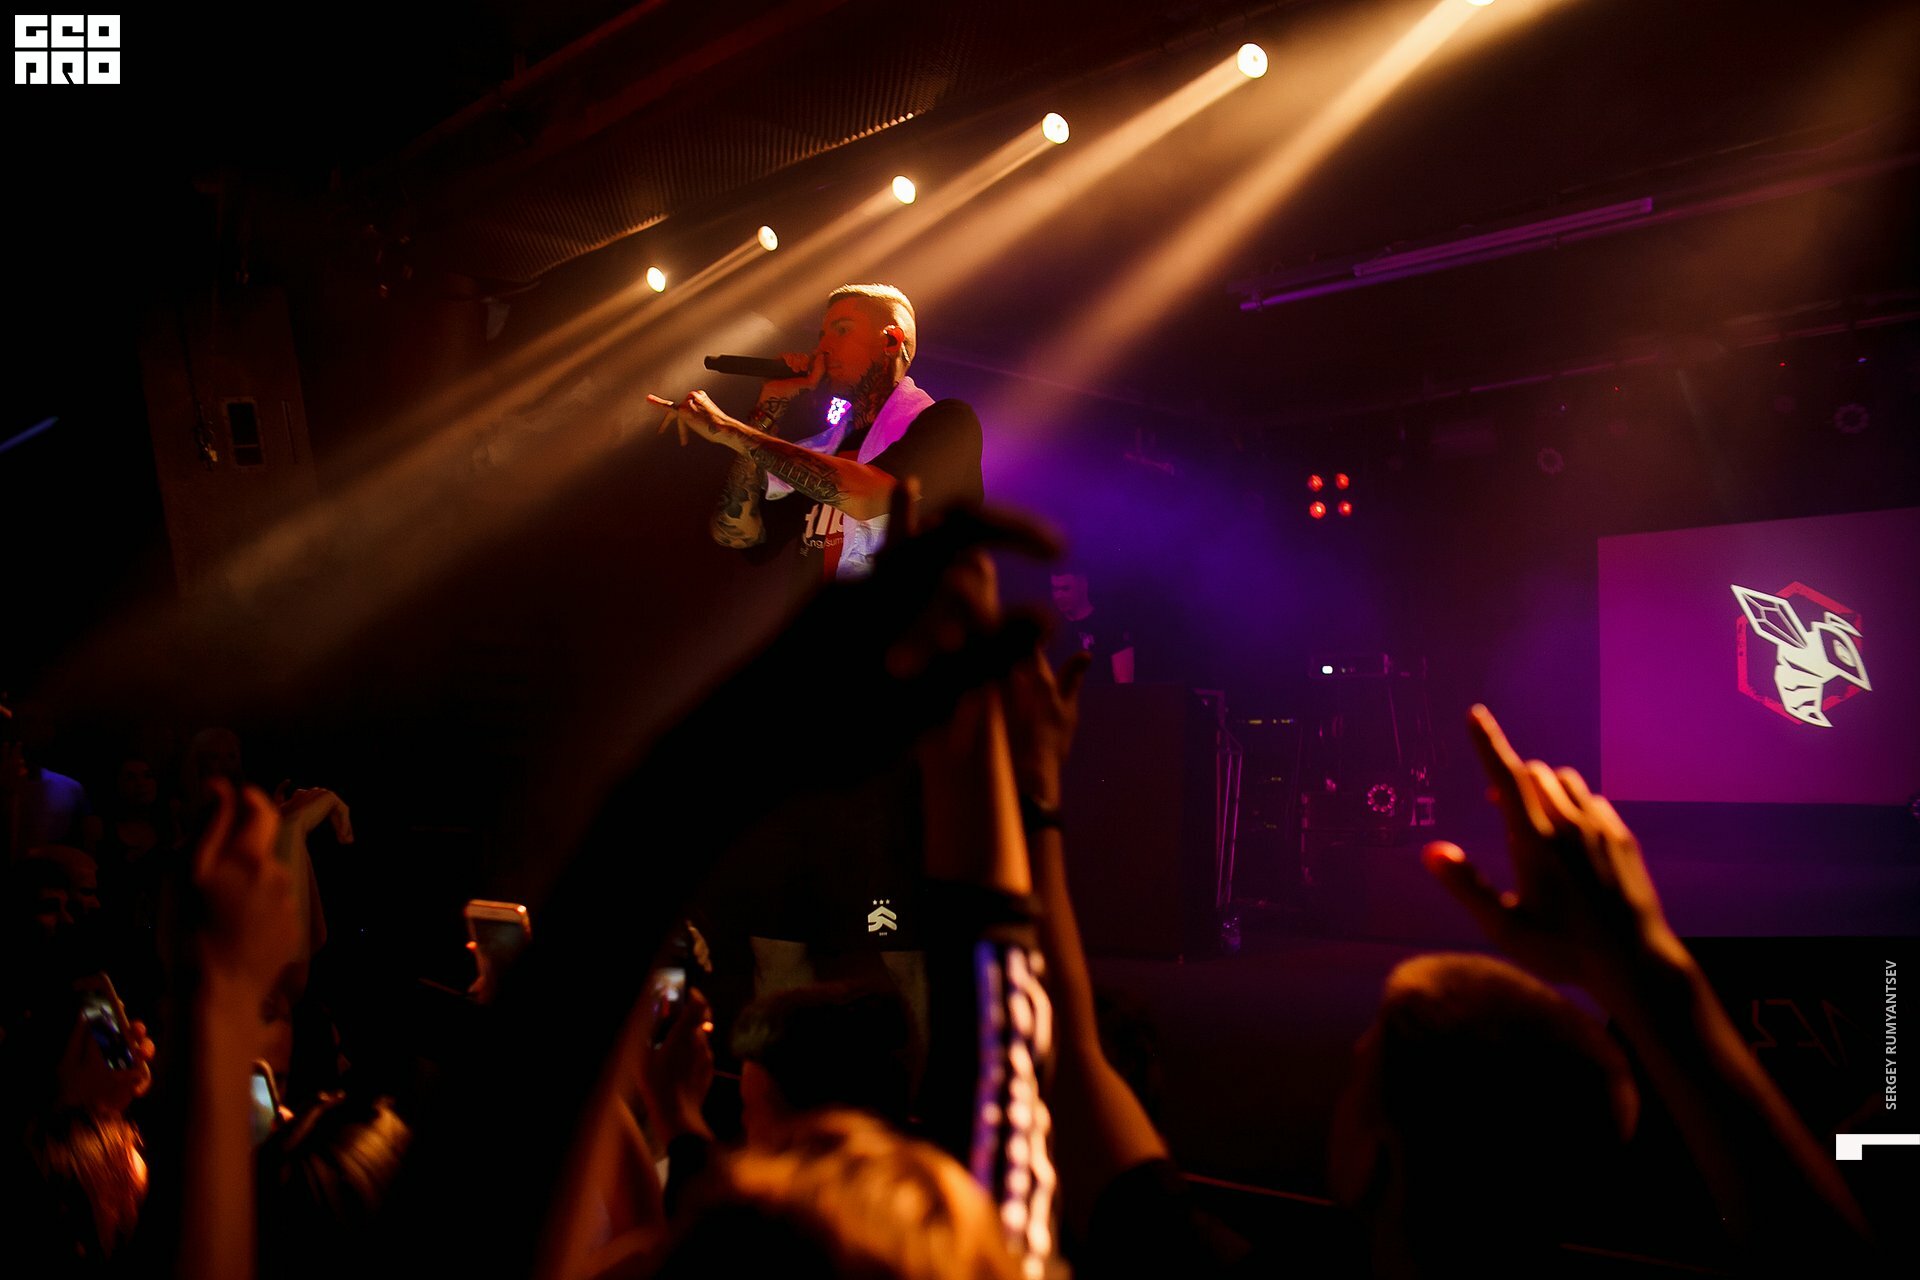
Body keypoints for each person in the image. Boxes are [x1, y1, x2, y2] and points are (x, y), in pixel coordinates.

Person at [649, 285, 985, 1002]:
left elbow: (870, 494)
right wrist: (767, 410)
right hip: (804, 728)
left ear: (893, 342)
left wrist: (734, 433)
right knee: (774, 945)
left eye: (841, 329)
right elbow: (735, 531)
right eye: (822, 328)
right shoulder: (816, 452)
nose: (822, 343)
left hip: (889, 733)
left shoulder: (945, 425)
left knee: (902, 956)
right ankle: (778, 1075)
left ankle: (927, 1079)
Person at [1047, 566, 1134, 684]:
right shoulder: (1051, 626)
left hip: (1101, 695)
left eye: (1065, 589)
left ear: (1083, 585)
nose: (1058, 596)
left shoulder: (1110, 624)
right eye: (1055, 589)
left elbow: (1124, 681)